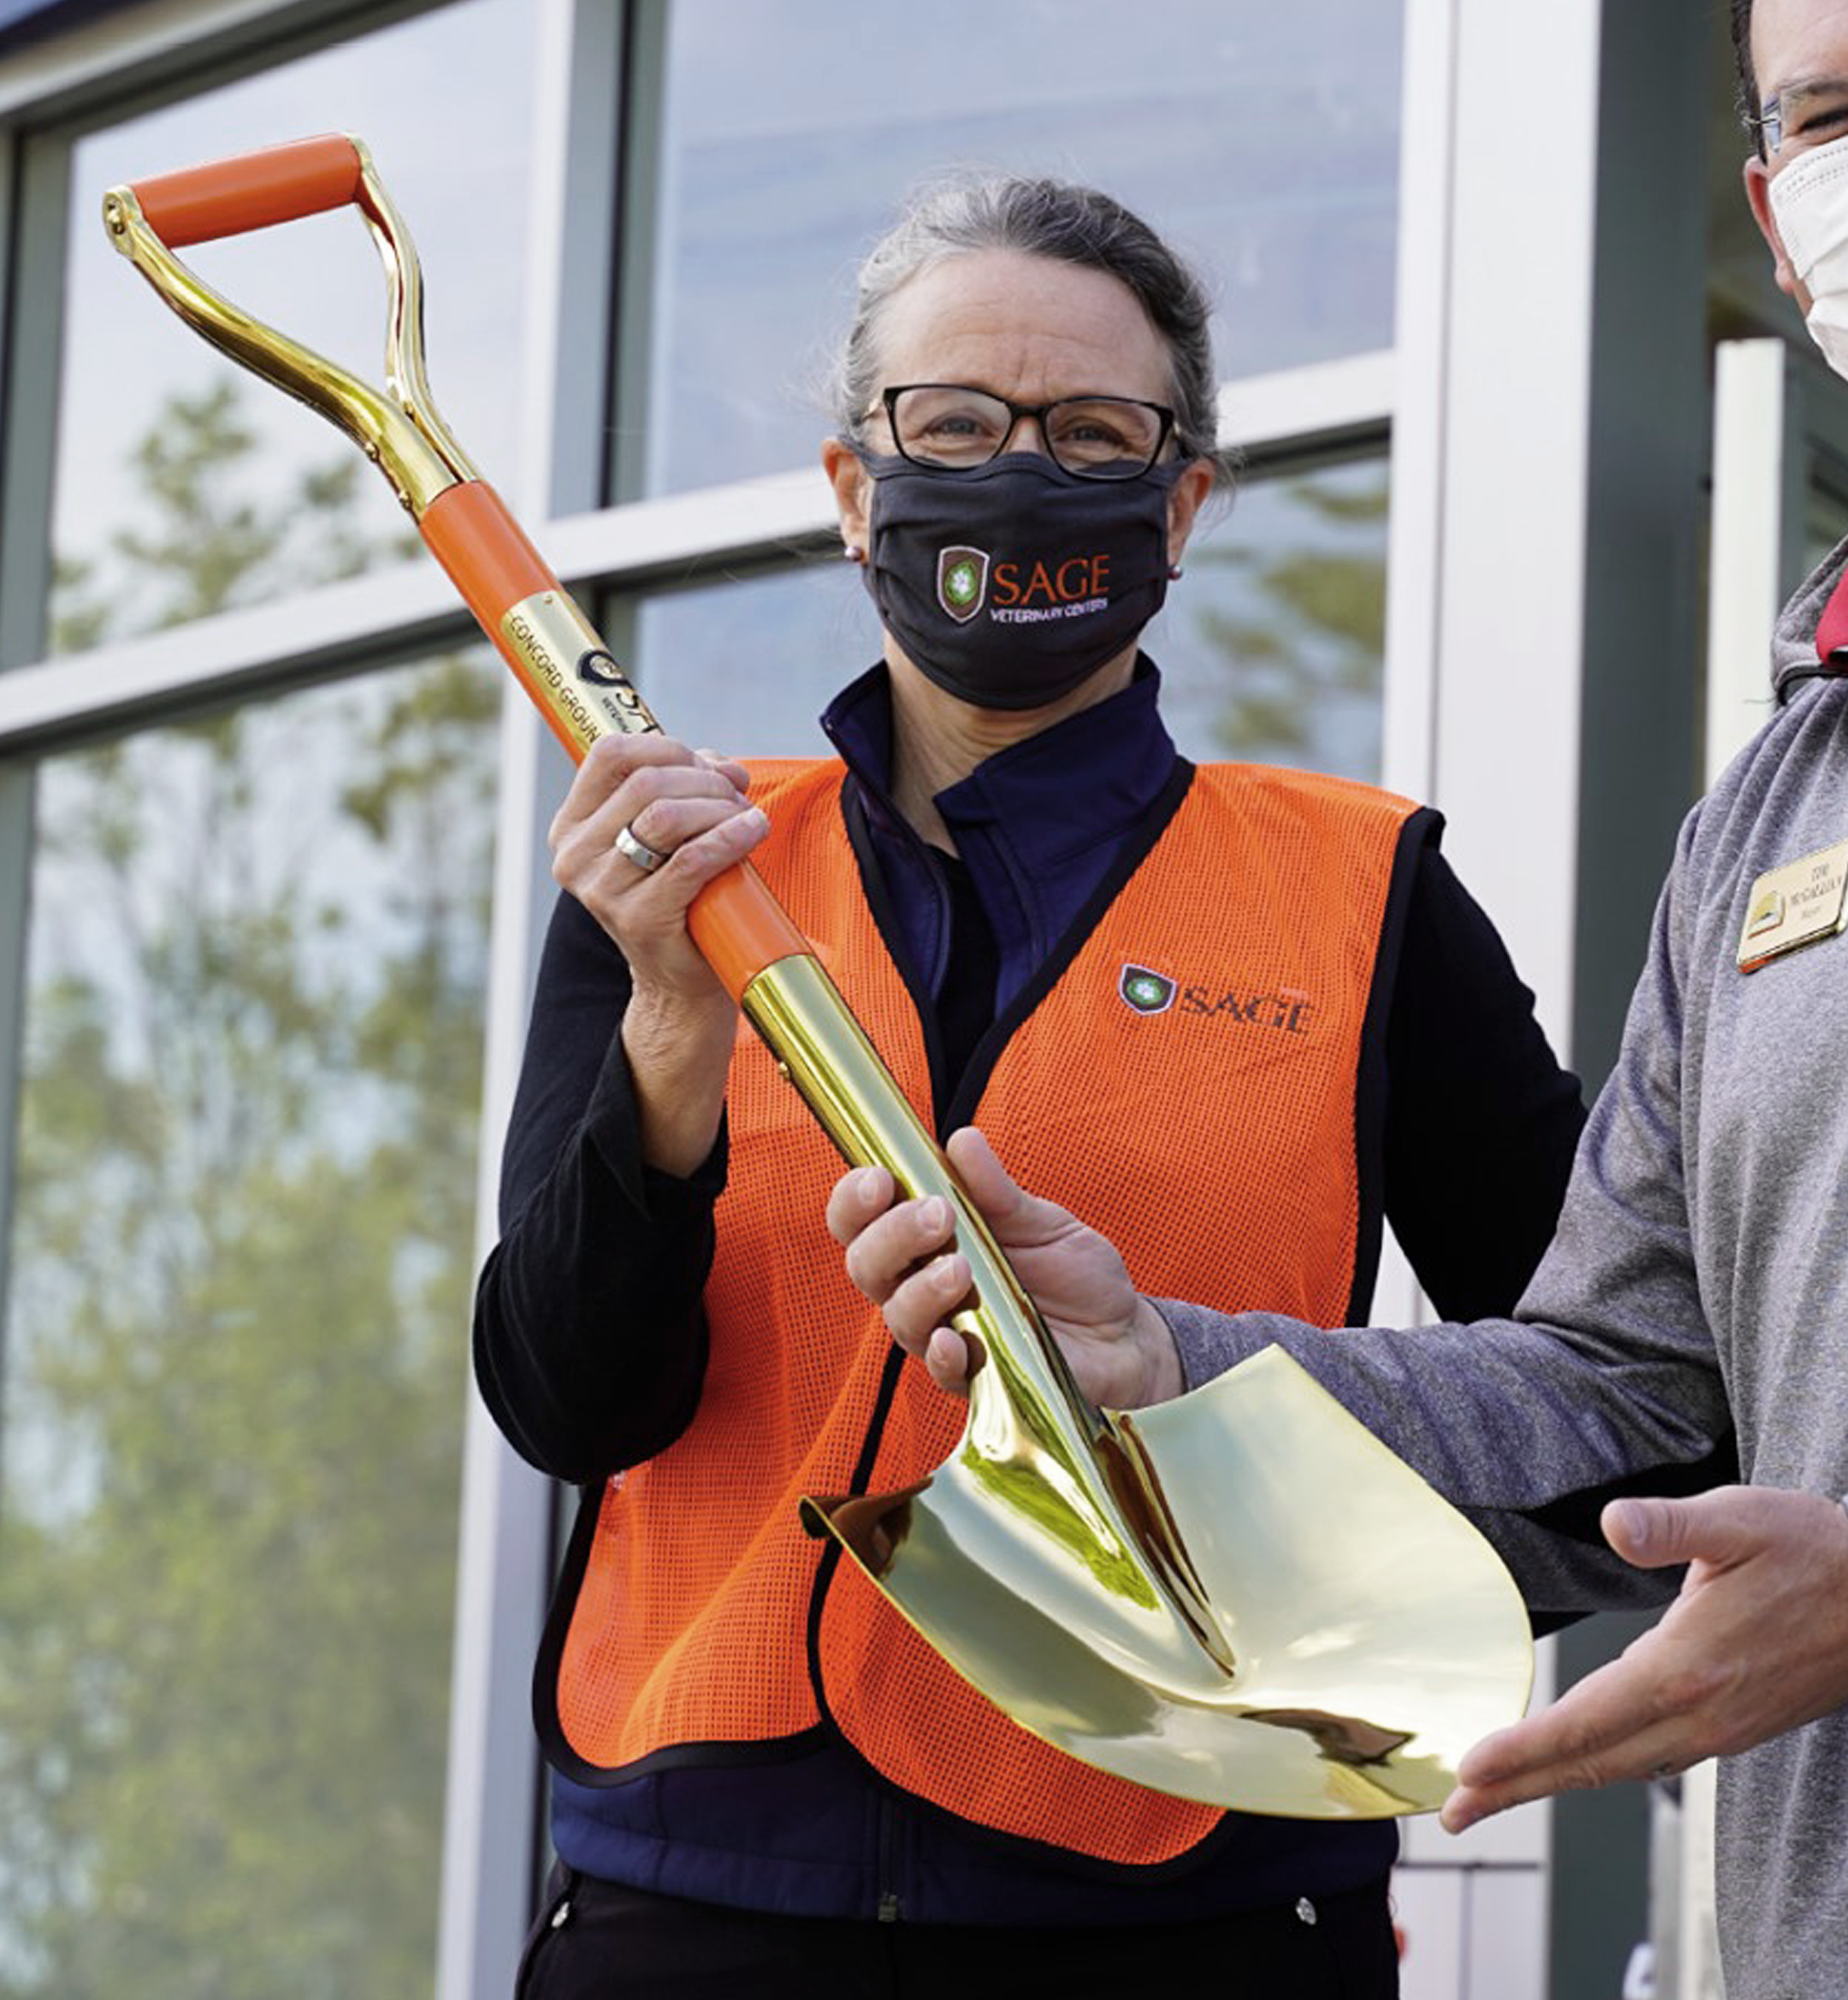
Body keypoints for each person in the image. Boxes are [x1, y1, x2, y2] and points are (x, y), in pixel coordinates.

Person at [832, 7, 1848, 1995]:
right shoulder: (1774, 809)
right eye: (1836, 111)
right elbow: (1628, 1395)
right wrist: (1175, 1375)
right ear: (1776, 219)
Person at [474, 173, 1586, 1998]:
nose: (1018, 474)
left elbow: (1608, 1412)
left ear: (1186, 499)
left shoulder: (1366, 895)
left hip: (1190, 1919)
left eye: (1090, 434)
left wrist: (1271, 1487)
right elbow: (566, 1400)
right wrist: (672, 1034)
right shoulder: (677, 884)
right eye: (956, 424)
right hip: (687, 1903)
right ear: (855, 489)